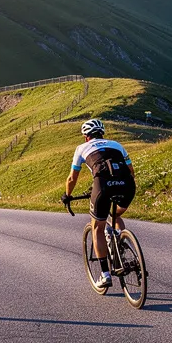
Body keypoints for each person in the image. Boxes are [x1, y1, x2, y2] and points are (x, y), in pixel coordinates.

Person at [63, 118, 136, 289]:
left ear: (85, 136)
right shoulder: (117, 144)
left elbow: (72, 178)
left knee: (97, 227)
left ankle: (105, 275)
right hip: (127, 185)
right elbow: (131, 171)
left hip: (102, 186)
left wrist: (67, 195)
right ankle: (120, 238)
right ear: (102, 133)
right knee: (116, 213)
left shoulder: (81, 148)